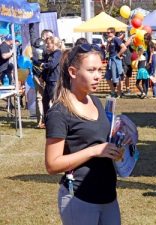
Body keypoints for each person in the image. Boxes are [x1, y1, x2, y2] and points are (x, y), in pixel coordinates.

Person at [45, 44, 133, 225]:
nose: (98, 76)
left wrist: (120, 138)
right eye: (91, 70)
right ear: (72, 72)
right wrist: (94, 151)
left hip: (108, 196)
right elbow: (52, 165)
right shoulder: (59, 112)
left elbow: (100, 140)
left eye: (100, 69)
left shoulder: (94, 100)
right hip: (79, 198)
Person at [41, 36, 62, 118]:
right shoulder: (51, 54)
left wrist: (43, 65)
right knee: (45, 101)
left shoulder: (58, 53)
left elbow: (51, 65)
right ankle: (47, 119)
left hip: (54, 81)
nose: (46, 45)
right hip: (49, 81)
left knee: (55, 102)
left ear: (53, 44)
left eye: (48, 43)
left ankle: (58, 119)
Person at [105, 27, 127, 98]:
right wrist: (108, 43)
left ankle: (119, 93)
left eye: (109, 33)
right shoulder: (110, 40)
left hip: (115, 60)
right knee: (107, 77)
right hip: (110, 60)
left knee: (116, 78)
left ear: (113, 33)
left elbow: (124, 47)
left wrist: (118, 54)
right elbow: (107, 50)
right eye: (107, 33)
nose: (107, 34)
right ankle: (113, 92)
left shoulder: (116, 39)